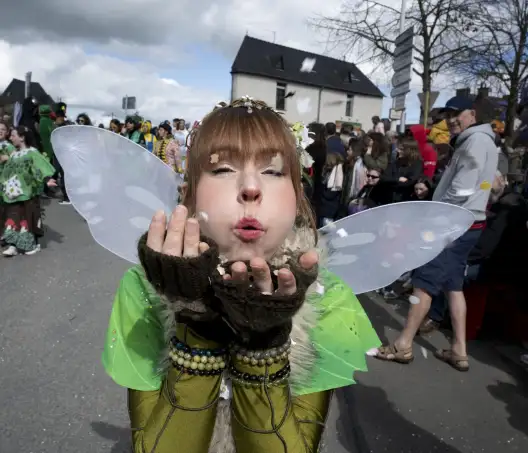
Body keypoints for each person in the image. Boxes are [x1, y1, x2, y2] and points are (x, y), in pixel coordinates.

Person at [101, 98, 380, 452]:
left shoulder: (326, 293)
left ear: (297, 197)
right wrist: (193, 318)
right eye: (222, 169)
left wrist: (263, 342)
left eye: (274, 171)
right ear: (189, 192)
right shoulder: (146, 286)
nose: (251, 187)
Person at [375, 94, 498, 371]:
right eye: (448, 114)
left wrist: (436, 218)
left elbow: (462, 190)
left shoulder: (475, 141)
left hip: (453, 224)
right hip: (470, 223)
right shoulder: (484, 141)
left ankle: (403, 344)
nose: (451, 120)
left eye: (457, 114)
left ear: (473, 114)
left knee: (424, 281)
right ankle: (459, 350)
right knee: (454, 286)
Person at [0, 126, 56, 256]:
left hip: (28, 192)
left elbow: (40, 166)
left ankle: (32, 244)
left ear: (22, 137)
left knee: (28, 217)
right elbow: (7, 172)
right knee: (13, 217)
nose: (11, 138)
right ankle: (13, 245)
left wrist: (47, 179)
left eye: (13, 135)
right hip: (14, 193)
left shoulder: (32, 152)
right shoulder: (14, 154)